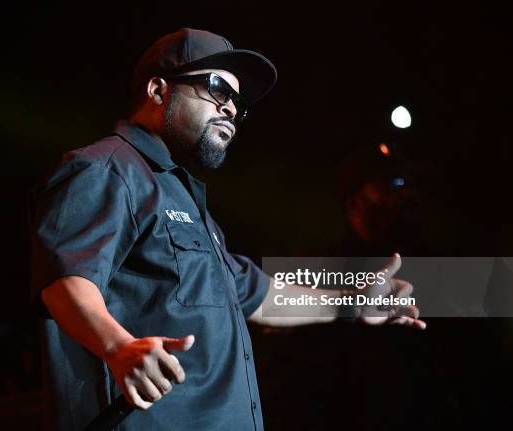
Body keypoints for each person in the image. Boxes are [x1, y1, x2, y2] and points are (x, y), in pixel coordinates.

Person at [29, 28, 426, 431]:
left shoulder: (185, 202)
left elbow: (260, 297)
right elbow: (66, 282)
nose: (232, 109)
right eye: (217, 88)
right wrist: (117, 346)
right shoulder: (106, 169)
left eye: (238, 101)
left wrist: (352, 305)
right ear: (157, 90)